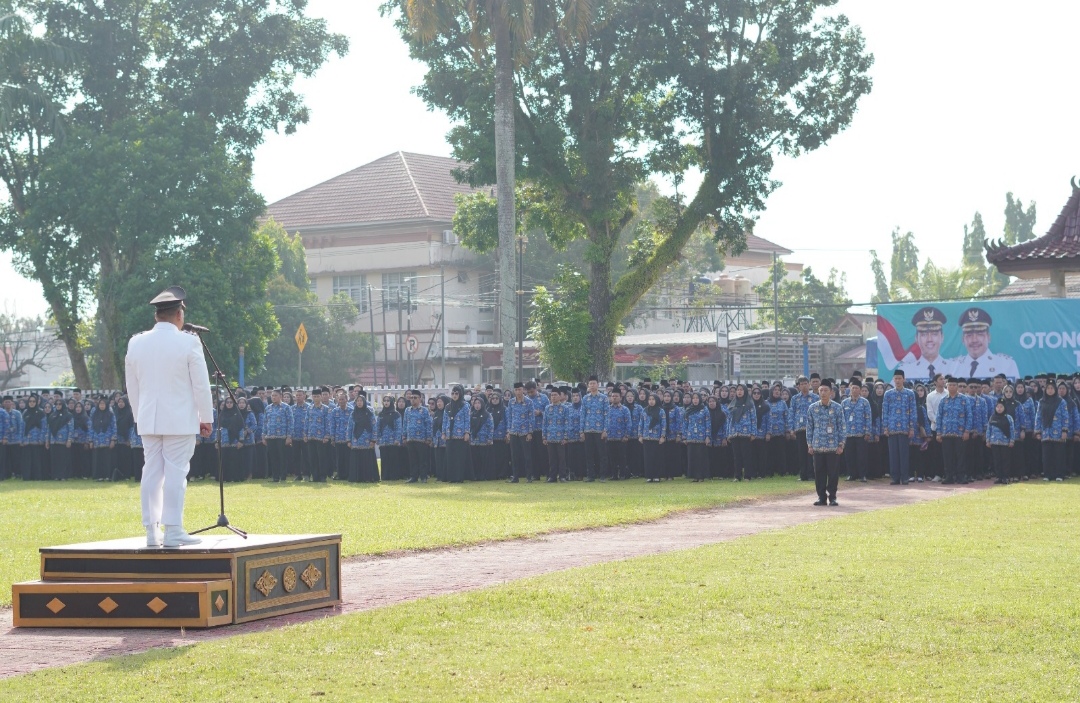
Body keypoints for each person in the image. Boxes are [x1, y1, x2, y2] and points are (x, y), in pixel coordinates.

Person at [125, 286, 214, 548]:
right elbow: (201, 384)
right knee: (176, 473)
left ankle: (152, 532)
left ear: (156, 316)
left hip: (149, 420)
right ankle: (173, 529)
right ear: (179, 315)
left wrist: (139, 416)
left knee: (151, 473)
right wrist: (205, 416)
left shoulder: (136, 342)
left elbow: (132, 385)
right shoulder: (189, 341)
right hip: (179, 420)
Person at [945, 307, 1019, 380]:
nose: (974, 340)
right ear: (963, 339)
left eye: (980, 334)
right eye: (969, 335)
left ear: (989, 337)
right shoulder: (952, 366)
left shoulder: (1005, 364)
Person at [805, 378, 846, 506]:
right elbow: (809, 427)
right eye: (821, 390)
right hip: (817, 446)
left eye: (825, 390)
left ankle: (832, 497)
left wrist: (841, 444)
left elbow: (842, 427)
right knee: (819, 473)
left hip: (833, 446)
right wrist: (809, 444)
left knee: (833, 473)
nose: (823, 393)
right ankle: (821, 497)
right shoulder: (812, 408)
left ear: (831, 392)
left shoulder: (837, 408)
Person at [898, 306, 948, 380]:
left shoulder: (953, 368)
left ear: (942, 337)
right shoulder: (906, 371)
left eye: (934, 334)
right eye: (924, 334)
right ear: (916, 339)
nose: (929, 339)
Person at [403, 389, 433, 483]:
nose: (412, 400)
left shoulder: (424, 410)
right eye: (411, 398)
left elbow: (428, 424)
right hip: (410, 439)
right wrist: (404, 436)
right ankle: (414, 477)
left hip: (421, 439)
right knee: (412, 459)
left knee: (423, 459)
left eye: (415, 398)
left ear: (420, 399)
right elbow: (405, 424)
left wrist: (429, 438)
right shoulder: (407, 410)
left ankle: (423, 477)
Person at [986, 399, 1017, 484]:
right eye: (997, 407)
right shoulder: (992, 417)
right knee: (997, 460)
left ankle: (1006, 477)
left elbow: (1011, 430)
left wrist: (1012, 440)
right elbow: (989, 429)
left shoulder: (1008, 418)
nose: (999, 409)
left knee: (1005, 460)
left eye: (1001, 407)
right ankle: (999, 477)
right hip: (994, 442)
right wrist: (988, 440)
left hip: (1005, 442)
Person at [639, 392, 667, 482]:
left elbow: (663, 424)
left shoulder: (660, 411)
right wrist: (640, 435)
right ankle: (649, 476)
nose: (651, 401)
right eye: (649, 399)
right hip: (646, 437)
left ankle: (657, 476)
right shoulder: (644, 410)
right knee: (648, 457)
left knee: (657, 457)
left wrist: (662, 436)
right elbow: (641, 424)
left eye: (653, 399)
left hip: (657, 437)